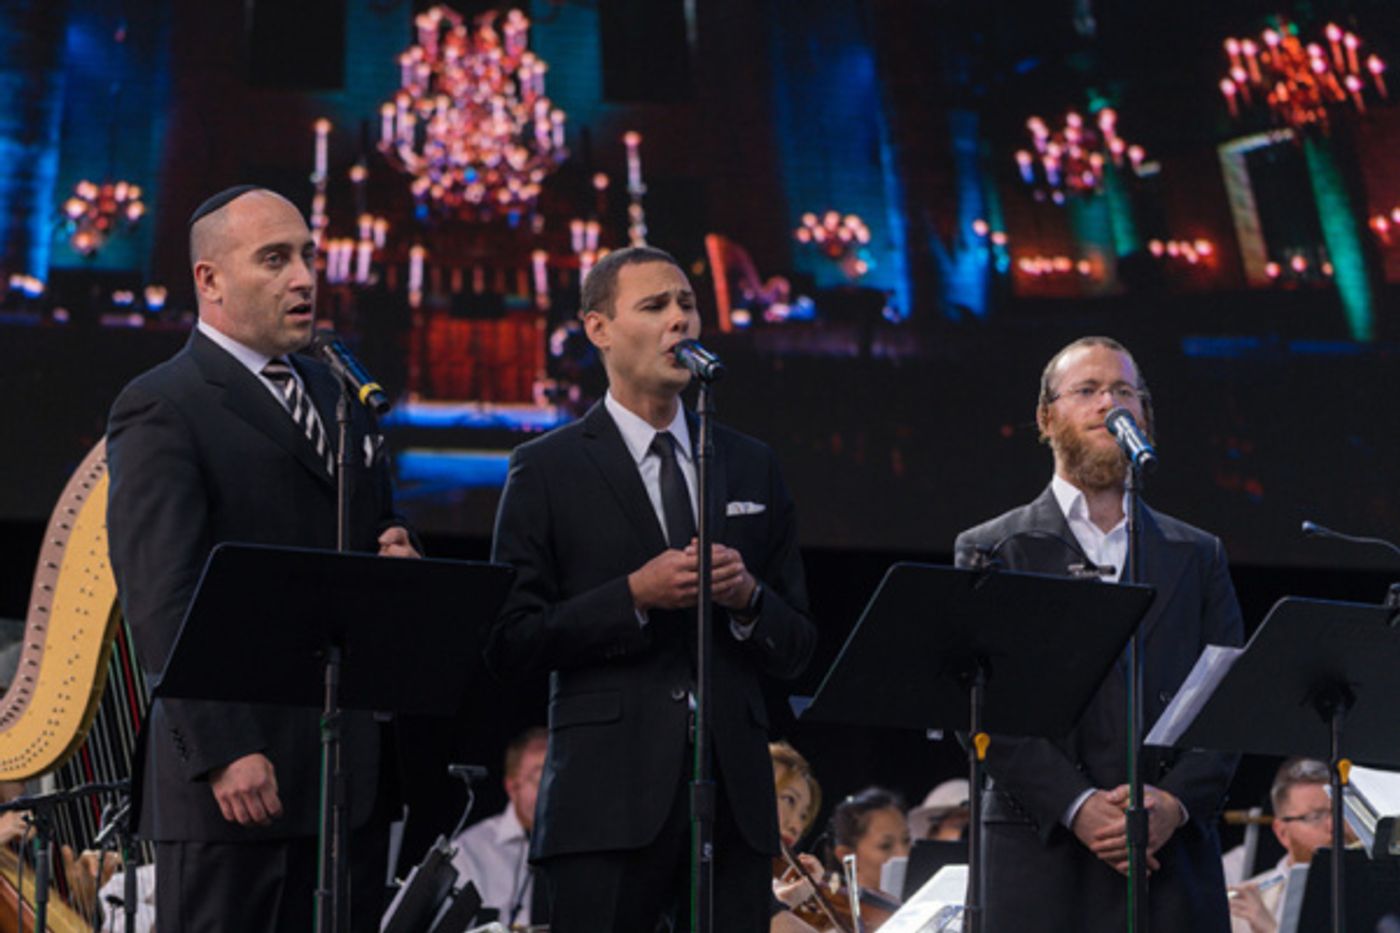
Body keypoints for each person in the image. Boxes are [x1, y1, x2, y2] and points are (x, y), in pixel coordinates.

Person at [107, 185, 419, 931]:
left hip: (344, 780)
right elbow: (164, 594)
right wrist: (224, 747)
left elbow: (375, 531)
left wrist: (402, 555)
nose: (305, 276)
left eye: (308, 255)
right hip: (238, 785)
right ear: (209, 280)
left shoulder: (338, 389)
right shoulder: (164, 404)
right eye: (275, 258)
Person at [486, 245, 817, 931]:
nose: (681, 322)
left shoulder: (750, 463)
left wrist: (749, 598)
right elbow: (510, 637)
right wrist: (633, 594)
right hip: (603, 805)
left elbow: (801, 644)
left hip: (734, 802)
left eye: (688, 304)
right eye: (655, 306)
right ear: (598, 327)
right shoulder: (545, 469)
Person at [953, 335, 1244, 932]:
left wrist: (1175, 803)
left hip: (1172, 858)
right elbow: (977, 707)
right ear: (1046, 417)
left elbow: (1231, 696)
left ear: (1144, 416)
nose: (1107, 404)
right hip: (1041, 856)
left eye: (1122, 392)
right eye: (1086, 390)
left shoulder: (1197, 553)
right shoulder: (993, 549)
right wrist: (1079, 806)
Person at [1228, 758, 1349, 933]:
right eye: (1315, 817)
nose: (1334, 826)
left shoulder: (1373, 890)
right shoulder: (1244, 907)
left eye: (1340, 812)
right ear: (1282, 832)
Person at [448, 727, 548, 929]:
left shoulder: (585, 847)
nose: (551, 789)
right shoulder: (469, 850)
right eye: (539, 778)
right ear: (512, 786)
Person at [829, 787, 911, 897]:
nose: (904, 855)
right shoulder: (839, 911)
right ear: (847, 855)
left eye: (906, 840)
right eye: (885, 846)